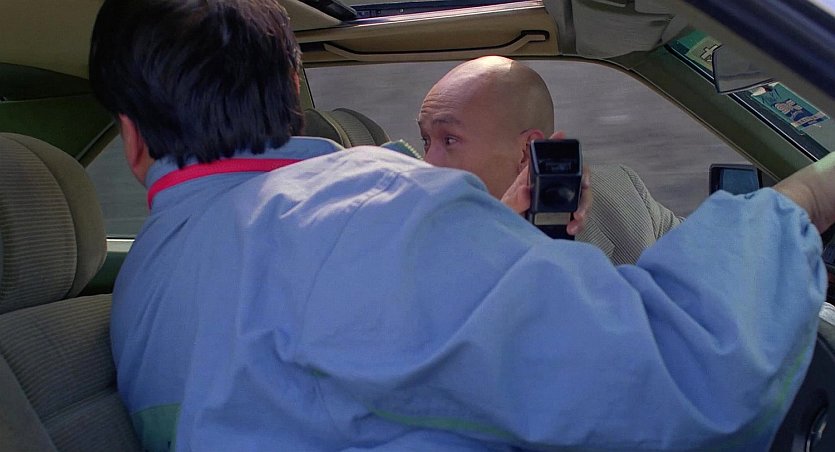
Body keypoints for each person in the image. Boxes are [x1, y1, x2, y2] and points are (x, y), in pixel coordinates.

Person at [89, 0, 833, 450]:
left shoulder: (144, 280)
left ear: (131, 139)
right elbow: (688, 373)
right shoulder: (363, 211)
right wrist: (805, 195)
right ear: (292, 86)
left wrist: (495, 242)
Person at [420, 55, 682, 264]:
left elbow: (700, 270)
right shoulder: (421, 235)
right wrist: (498, 236)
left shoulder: (622, 197)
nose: (427, 163)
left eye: (449, 140)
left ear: (526, 151)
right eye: (426, 140)